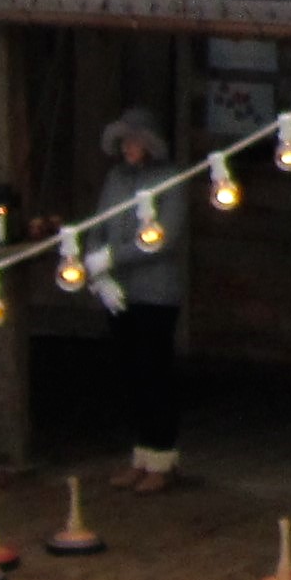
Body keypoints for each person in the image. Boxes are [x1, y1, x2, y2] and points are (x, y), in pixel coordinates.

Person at [92, 109, 191, 492]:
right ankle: (140, 456)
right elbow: (98, 225)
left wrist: (115, 256)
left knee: (155, 373)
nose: (128, 148)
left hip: (156, 293)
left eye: (134, 142)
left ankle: (162, 459)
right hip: (120, 294)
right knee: (130, 372)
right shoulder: (115, 178)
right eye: (124, 142)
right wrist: (97, 269)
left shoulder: (170, 180)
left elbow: (163, 237)